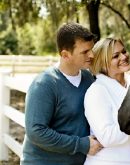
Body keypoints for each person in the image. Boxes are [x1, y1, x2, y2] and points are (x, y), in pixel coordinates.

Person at [21, 23, 103, 165]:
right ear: (65, 55)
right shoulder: (44, 84)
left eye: (92, 49)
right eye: (85, 52)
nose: (92, 55)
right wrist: (81, 145)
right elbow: (36, 132)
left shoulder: (89, 79)